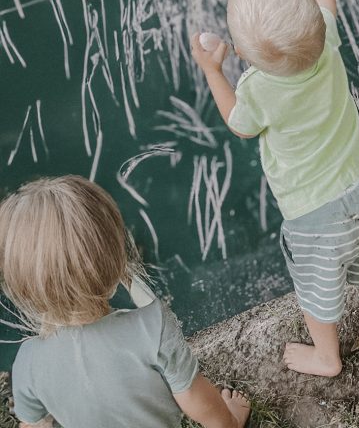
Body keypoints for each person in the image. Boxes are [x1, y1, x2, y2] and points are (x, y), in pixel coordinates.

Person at [191, 0, 359, 377]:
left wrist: (212, 70)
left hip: (312, 215)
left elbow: (240, 125)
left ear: (242, 53)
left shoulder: (258, 89)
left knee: (318, 290)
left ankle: (327, 356)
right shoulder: (327, 43)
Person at [0, 175, 251, 428]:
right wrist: (229, 421)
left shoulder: (28, 360)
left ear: (22, 287)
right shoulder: (151, 326)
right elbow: (197, 401)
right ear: (117, 258)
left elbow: (32, 425)